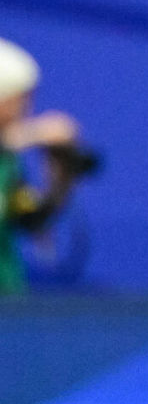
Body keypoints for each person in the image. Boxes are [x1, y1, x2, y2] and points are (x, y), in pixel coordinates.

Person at [0, 38, 97, 294]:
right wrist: (32, 134)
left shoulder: (8, 163)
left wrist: (60, 181)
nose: (27, 108)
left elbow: (30, 219)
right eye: (20, 98)